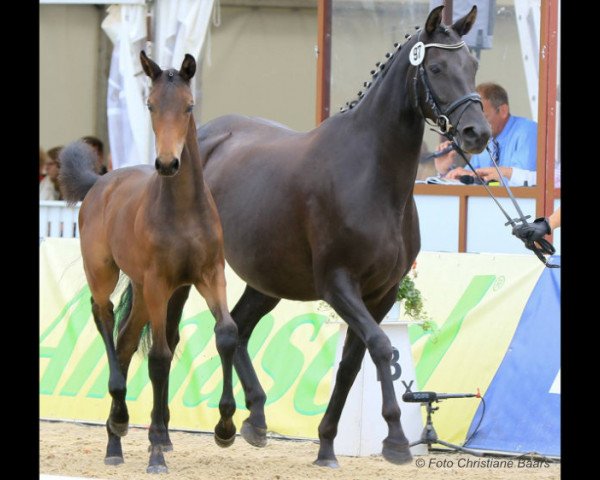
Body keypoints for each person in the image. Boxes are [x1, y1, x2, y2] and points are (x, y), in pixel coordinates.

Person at [434, 83, 537, 185]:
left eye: (483, 117)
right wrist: (445, 172)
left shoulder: (528, 132)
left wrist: (475, 177)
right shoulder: (486, 139)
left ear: (503, 111)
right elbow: (466, 180)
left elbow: (521, 184)